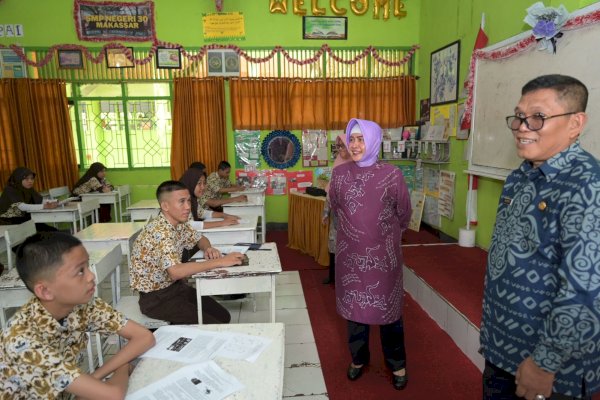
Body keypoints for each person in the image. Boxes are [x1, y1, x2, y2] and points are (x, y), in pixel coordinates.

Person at [480, 75, 600, 400]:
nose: (522, 126)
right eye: (519, 116)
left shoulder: (587, 186)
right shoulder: (521, 176)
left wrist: (544, 363)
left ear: (576, 123)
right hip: (503, 349)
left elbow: (585, 288)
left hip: (551, 367)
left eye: (538, 117)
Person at [0, 232, 155, 399]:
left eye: (88, 265)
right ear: (45, 291)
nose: (91, 276)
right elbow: (113, 394)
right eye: (80, 271)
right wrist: (123, 366)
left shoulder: (82, 304)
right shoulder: (22, 341)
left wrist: (95, 377)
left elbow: (145, 337)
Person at [328, 118, 412, 390]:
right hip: (350, 257)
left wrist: (381, 237)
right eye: (351, 139)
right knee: (355, 311)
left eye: (361, 139)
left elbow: (404, 213)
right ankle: (358, 358)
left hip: (383, 259)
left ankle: (397, 363)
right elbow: (337, 209)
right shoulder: (340, 174)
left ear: (374, 141)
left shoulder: (392, 175)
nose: (354, 145)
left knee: (389, 314)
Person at [129, 180, 245, 324]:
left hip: (176, 288)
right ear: (165, 206)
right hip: (156, 299)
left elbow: (200, 238)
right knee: (215, 325)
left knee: (223, 317)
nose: (188, 207)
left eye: (189, 201)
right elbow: (176, 271)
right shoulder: (160, 231)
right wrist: (220, 261)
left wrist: (207, 248)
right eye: (182, 202)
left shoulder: (178, 224)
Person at [179, 167, 241, 263]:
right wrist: (222, 223)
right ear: (190, 182)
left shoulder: (193, 199)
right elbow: (190, 225)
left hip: (189, 246)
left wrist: (224, 215)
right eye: (199, 183)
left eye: (204, 183)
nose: (203, 187)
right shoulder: (181, 202)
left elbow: (202, 213)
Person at [321, 134, 352, 284]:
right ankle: (333, 276)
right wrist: (326, 212)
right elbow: (330, 189)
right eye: (338, 146)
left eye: (343, 146)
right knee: (333, 244)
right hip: (336, 214)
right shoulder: (338, 163)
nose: (340, 150)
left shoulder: (358, 164)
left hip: (351, 215)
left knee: (349, 247)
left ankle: (346, 277)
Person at [0, 167, 59, 231]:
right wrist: (45, 206)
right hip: (8, 221)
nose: (30, 181)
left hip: (24, 218)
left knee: (51, 230)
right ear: (18, 178)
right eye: (26, 179)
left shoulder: (29, 189)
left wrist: (56, 202)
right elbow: (22, 206)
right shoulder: (10, 190)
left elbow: (40, 201)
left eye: (32, 178)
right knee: (47, 231)